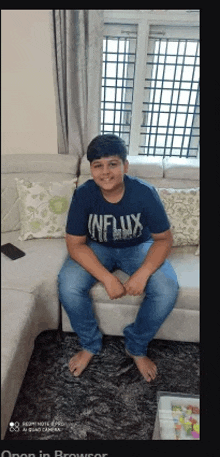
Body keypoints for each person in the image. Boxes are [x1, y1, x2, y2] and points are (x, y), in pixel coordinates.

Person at [58, 134, 179, 382]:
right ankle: (90, 344)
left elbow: (164, 239)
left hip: (138, 246)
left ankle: (135, 345)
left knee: (167, 288)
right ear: (91, 168)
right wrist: (107, 279)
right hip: (97, 247)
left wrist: (143, 273)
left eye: (112, 164)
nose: (105, 173)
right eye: (98, 165)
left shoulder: (144, 193)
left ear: (125, 166)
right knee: (68, 285)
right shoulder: (83, 195)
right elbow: (75, 244)